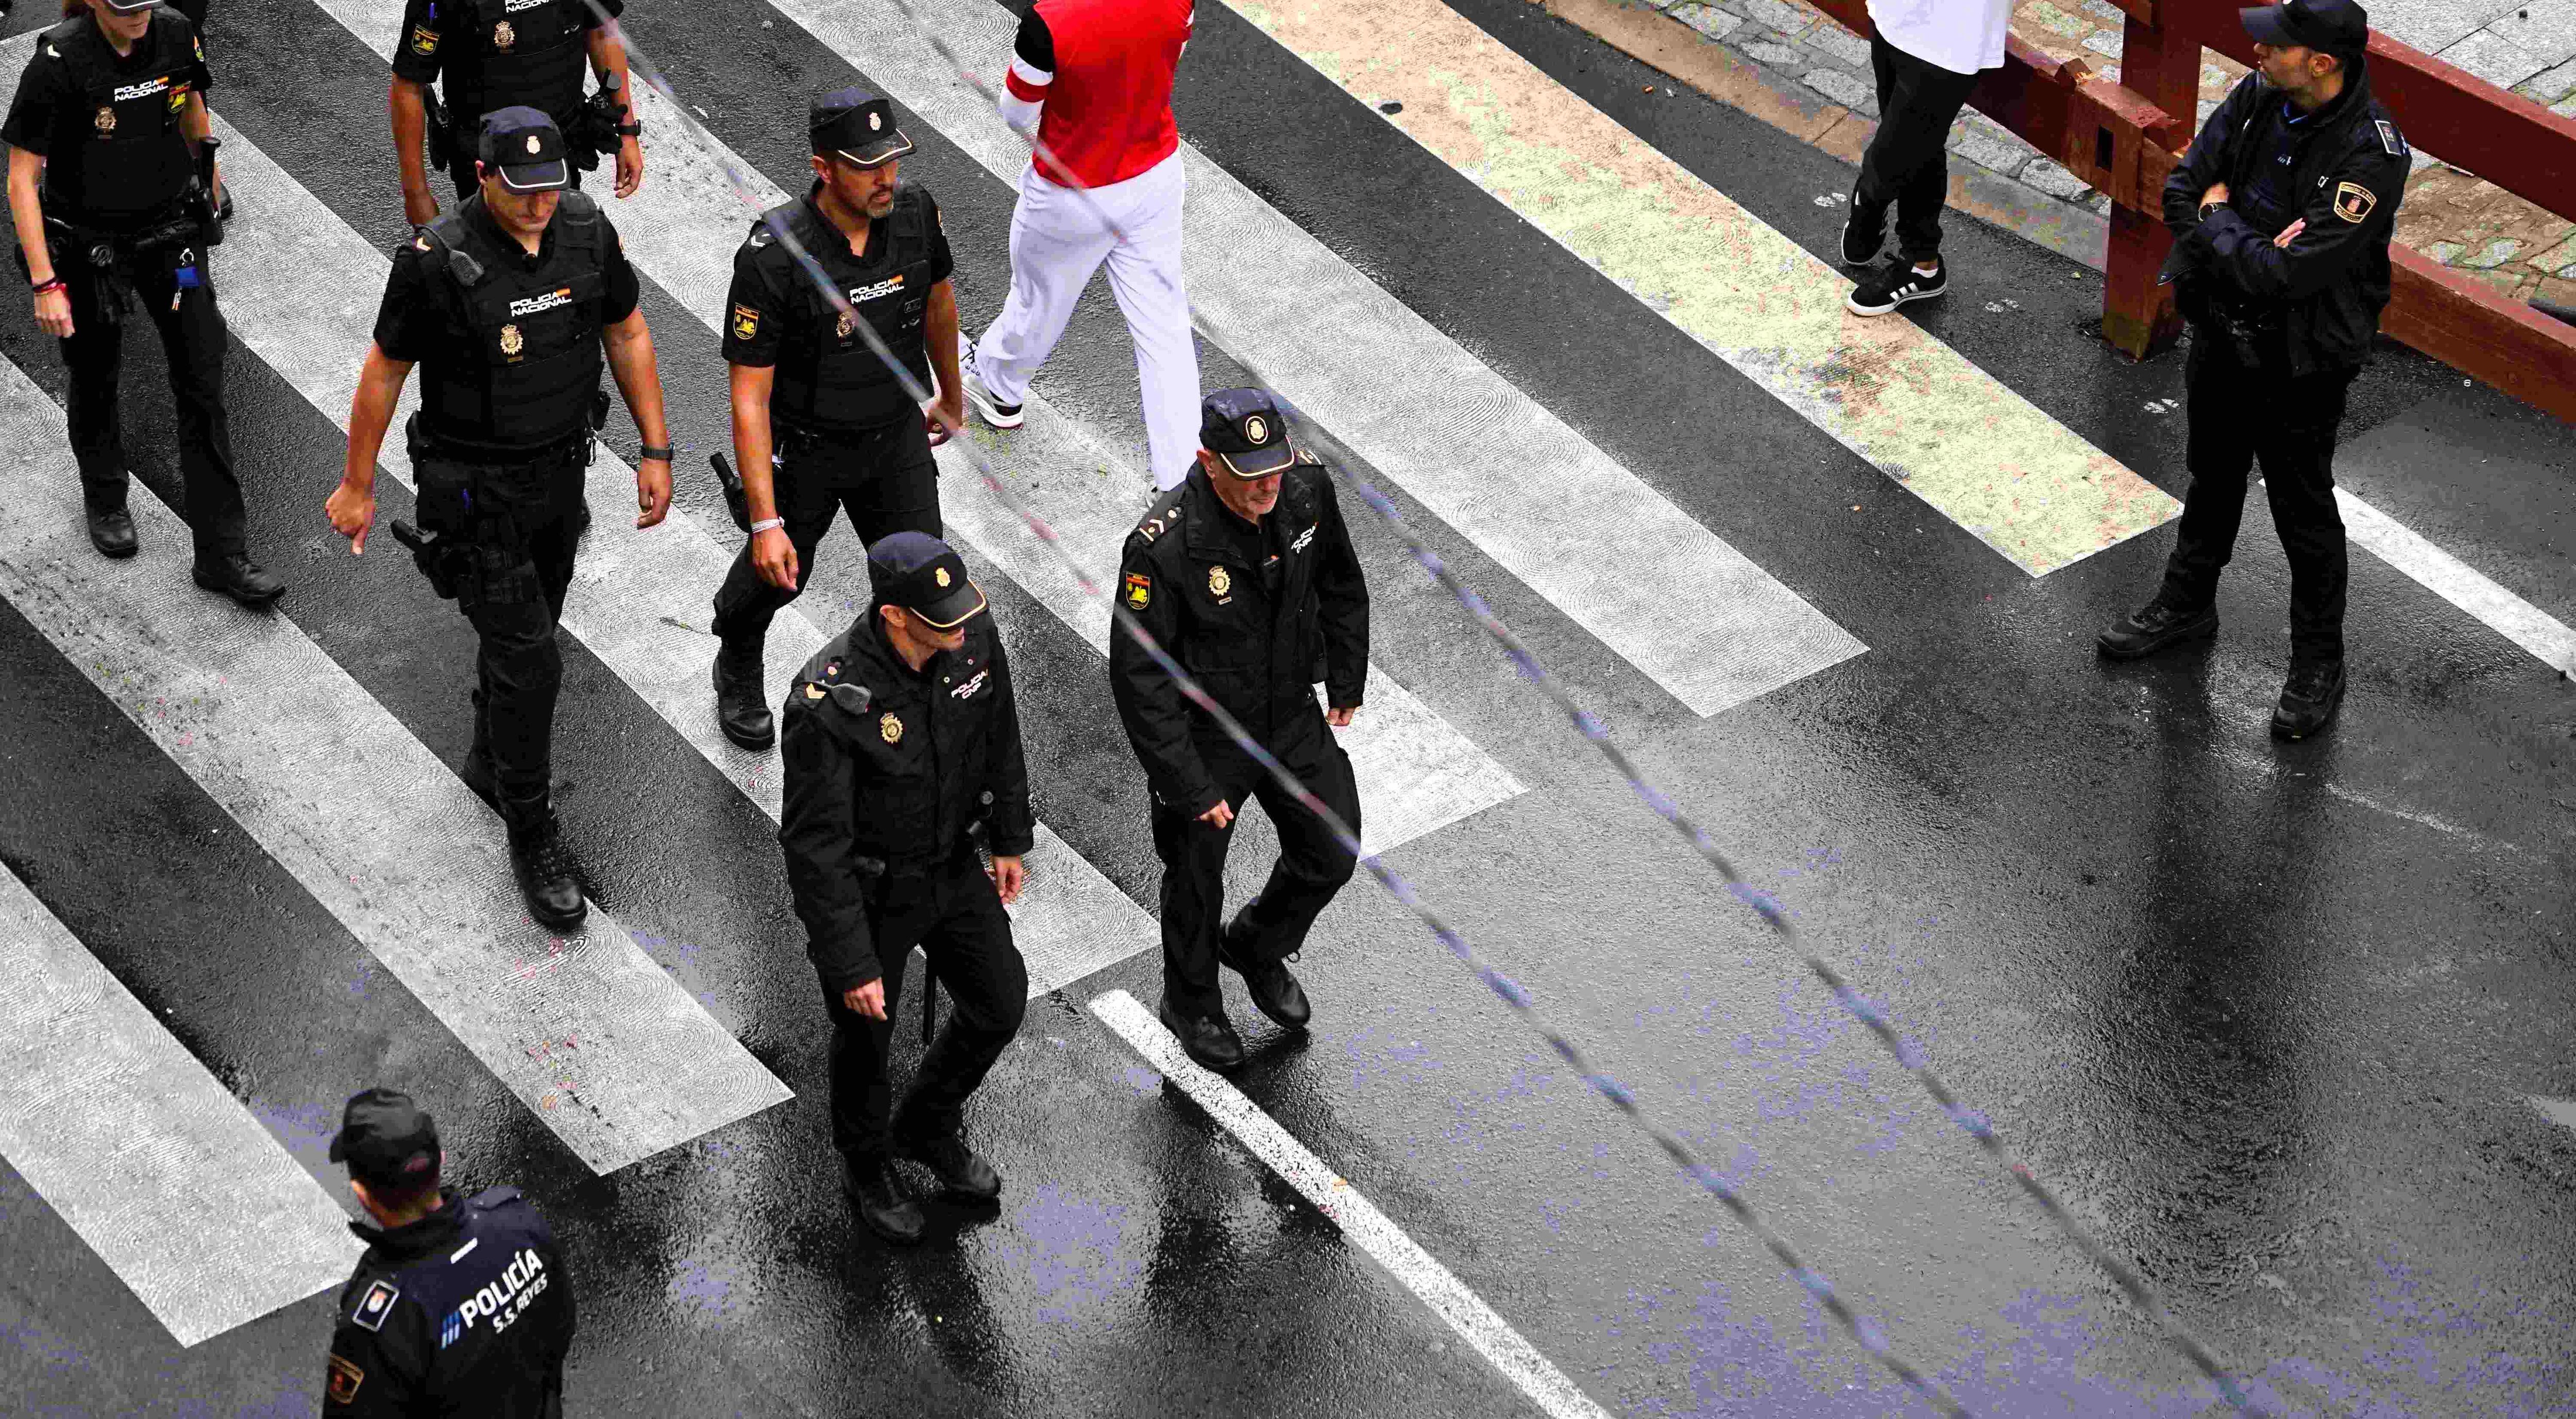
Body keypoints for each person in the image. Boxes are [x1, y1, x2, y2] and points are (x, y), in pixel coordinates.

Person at [325, 107, 674, 926]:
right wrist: (357, 483)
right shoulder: (433, 263)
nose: (539, 203)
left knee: (533, 632)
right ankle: (530, 824)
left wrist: (656, 449)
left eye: (550, 186)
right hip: (473, 490)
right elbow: (384, 373)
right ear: (482, 176)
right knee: (533, 659)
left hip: (557, 478)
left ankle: (492, 751)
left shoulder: (588, 234)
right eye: (521, 190)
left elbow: (626, 332)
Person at [2098, 0, 2403, 740]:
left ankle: (2317, 663)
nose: (2258, 51)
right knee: (2213, 473)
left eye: (2277, 44)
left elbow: (2289, 277)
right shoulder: (2258, 92)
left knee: (2304, 513)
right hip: (2222, 330)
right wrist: (2227, 228)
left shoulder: (2372, 157)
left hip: (2302, 359)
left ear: (2322, 63)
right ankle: (2186, 602)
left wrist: (2218, 220)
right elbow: (2181, 185)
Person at [778, 532, 1032, 1245]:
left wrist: (1011, 833)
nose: (959, 629)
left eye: (960, 614)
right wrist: (850, 961)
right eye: (940, 619)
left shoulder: (970, 638)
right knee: (865, 1039)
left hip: (950, 864)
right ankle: (867, 1165)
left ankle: (925, 1120)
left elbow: (1000, 735)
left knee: (999, 1000)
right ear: (894, 616)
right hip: (872, 893)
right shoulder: (829, 702)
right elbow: (814, 846)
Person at [1110, 388, 1367, 1072]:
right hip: (1206, 736)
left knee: (1332, 844)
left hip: (1287, 712)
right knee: (1196, 876)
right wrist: (1185, 781)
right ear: (1208, 462)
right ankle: (1191, 1001)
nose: (1267, 490)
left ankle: (1256, 943)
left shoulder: (1305, 487)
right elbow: (1140, 678)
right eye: (1251, 477)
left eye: (1274, 472)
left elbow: (1340, 579)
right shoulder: (1161, 547)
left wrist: (1346, 676)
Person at [707, 88, 963, 753]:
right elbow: (748, 395)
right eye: (866, 165)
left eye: (892, 161)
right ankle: (736, 659)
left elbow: (938, 305)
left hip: (894, 437)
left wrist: (952, 398)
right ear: (824, 168)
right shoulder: (773, 254)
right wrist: (764, 521)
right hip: (808, 449)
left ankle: (914, 708)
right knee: (780, 574)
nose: (886, 178)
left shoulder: (915, 213)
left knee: (925, 581)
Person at [2, 0, 279, 604]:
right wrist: (47, 282)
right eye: (125, 6)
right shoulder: (60, 58)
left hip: (170, 239)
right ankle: (105, 496)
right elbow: (22, 177)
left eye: (145, 4)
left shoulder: (176, 33)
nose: (138, 17)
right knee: (97, 372)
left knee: (202, 378)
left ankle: (223, 553)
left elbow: (192, 109)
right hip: (89, 247)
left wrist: (207, 176)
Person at [964, 0, 1200, 491]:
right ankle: (1184, 482)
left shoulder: (1047, 23)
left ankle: (998, 386)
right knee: (1165, 329)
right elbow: (1168, 53)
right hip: (1156, 174)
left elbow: (1015, 114)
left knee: (1039, 300)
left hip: (1071, 193)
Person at [322, 1088, 575, 1417]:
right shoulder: (516, 1221)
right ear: (440, 1159)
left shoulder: (382, 1321)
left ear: (363, 1195)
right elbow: (560, 1327)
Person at [390, 0, 642, 227]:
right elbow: (409, 86)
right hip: (488, 166)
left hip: (562, 151)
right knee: (492, 264)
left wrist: (627, 133)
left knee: (563, 256)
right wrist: (417, 194)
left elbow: (602, 34)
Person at [1840, 0, 2010, 316]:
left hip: (1956, 30)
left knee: (1901, 150)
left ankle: (1869, 203)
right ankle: (1923, 264)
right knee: (1921, 143)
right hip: (1893, 14)